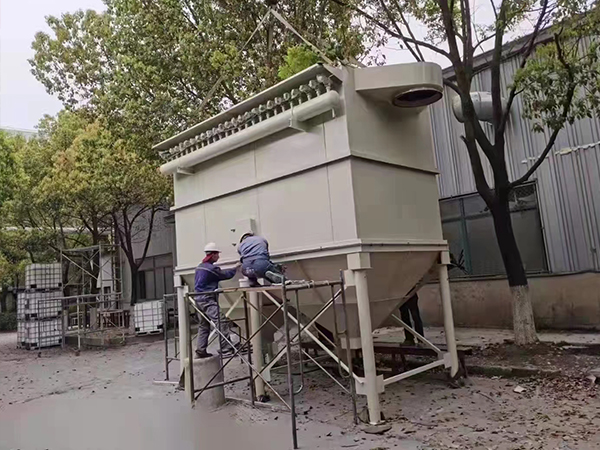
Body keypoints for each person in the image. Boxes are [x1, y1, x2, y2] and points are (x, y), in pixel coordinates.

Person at [194, 242, 240, 358]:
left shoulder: (200, 266)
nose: (218, 256)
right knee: (221, 321)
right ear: (213, 255)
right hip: (207, 300)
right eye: (217, 254)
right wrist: (235, 267)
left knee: (203, 326)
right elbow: (225, 275)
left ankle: (200, 350)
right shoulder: (211, 268)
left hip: (198, 300)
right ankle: (226, 349)